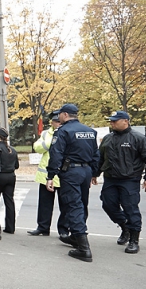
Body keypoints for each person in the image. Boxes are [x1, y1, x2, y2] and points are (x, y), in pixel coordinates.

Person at [92, 110, 146, 254]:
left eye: (114, 121)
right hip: (110, 179)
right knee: (108, 205)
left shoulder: (138, 138)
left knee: (130, 209)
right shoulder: (108, 139)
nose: (112, 123)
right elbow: (100, 158)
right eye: (111, 121)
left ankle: (134, 240)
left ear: (125, 121)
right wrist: (95, 173)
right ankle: (125, 227)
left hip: (129, 179)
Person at [46, 103, 100, 263]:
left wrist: (51, 176)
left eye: (59, 115)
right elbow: (96, 154)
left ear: (65, 115)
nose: (58, 118)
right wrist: (94, 173)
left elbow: (56, 155)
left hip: (71, 172)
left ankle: (83, 248)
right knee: (82, 204)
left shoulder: (63, 131)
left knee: (73, 205)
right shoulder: (90, 131)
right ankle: (77, 237)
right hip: (85, 171)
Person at [27, 110, 69, 237]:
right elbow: (38, 148)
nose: (58, 124)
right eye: (56, 122)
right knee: (45, 205)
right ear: (52, 122)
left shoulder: (68, 132)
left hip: (63, 175)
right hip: (46, 176)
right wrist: (53, 140)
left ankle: (63, 230)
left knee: (65, 205)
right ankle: (43, 227)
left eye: (59, 121)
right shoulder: (46, 133)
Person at [0, 127, 19, 234]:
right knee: (9, 201)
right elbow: (16, 165)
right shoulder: (12, 150)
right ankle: (10, 227)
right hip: (11, 176)